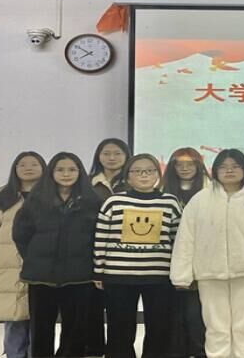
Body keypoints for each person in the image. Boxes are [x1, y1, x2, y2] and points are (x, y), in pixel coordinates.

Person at [171, 149, 244, 358]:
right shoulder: (201, 199)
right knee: (216, 327)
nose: (229, 171)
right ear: (215, 170)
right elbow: (186, 238)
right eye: (223, 167)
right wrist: (181, 274)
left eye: (235, 166)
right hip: (209, 272)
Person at [12, 152, 102, 358]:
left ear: (80, 172)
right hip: (41, 277)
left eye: (72, 169)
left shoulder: (92, 202)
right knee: (41, 328)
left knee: (76, 330)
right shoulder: (35, 201)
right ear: (51, 172)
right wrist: (35, 258)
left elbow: (99, 237)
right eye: (60, 169)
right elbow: (21, 235)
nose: (66, 174)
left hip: (79, 276)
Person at [93, 153, 182, 358]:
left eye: (150, 170)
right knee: (119, 328)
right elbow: (101, 237)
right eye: (138, 171)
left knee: (159, 327)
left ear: (158, 175)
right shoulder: (114, 201)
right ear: (128, 176)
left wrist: (178, 272)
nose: (144, 175)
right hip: (118, 276)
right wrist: (99, 270)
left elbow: (178, 239)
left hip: (159, 276)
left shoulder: (169, 202)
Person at [0, 151, 46, 358]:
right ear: (15, 169)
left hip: (42, 260)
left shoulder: (52, 195)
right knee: (13, 315)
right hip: (8, 261)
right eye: (22, 164)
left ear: (43, 168)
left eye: (34, 164)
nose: (28, 168)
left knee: (40, 317)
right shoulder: (1, 197)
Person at [163, 148, 209, 358]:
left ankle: (199, 350)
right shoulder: (162, 191)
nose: (184, 168)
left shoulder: (210, 191)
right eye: (179, 164)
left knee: (196, 310)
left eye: (190, 164)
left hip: (201, 257)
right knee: (172, 309)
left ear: (199, 166)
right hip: (168, 258)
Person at [87, 137, 131, 356]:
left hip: (125, 255)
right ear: (98, 156)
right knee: (91, 306)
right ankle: (93, 348)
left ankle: (117, 351)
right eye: (106, 153)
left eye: (117, 153)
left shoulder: (134, 182)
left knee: (119, 309)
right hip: (90, 250)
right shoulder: (87, 183)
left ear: (126, 156)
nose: (112, 158)